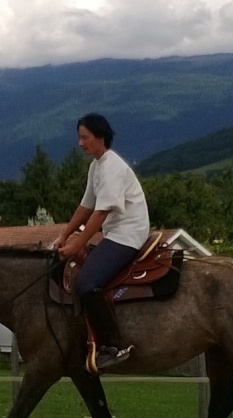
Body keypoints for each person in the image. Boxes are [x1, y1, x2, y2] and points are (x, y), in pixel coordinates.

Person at [54, 113, 151, 369]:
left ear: (100, 137)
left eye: (84, 137)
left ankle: (113, 345)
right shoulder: (96, 166)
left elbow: (101, 211)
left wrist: (77, 244)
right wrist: (65, 235)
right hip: (116, 233)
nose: (80, 143)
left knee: (88, 283)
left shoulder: (112, 168)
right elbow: (86, 206)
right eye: (79, 137)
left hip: (128, 235)